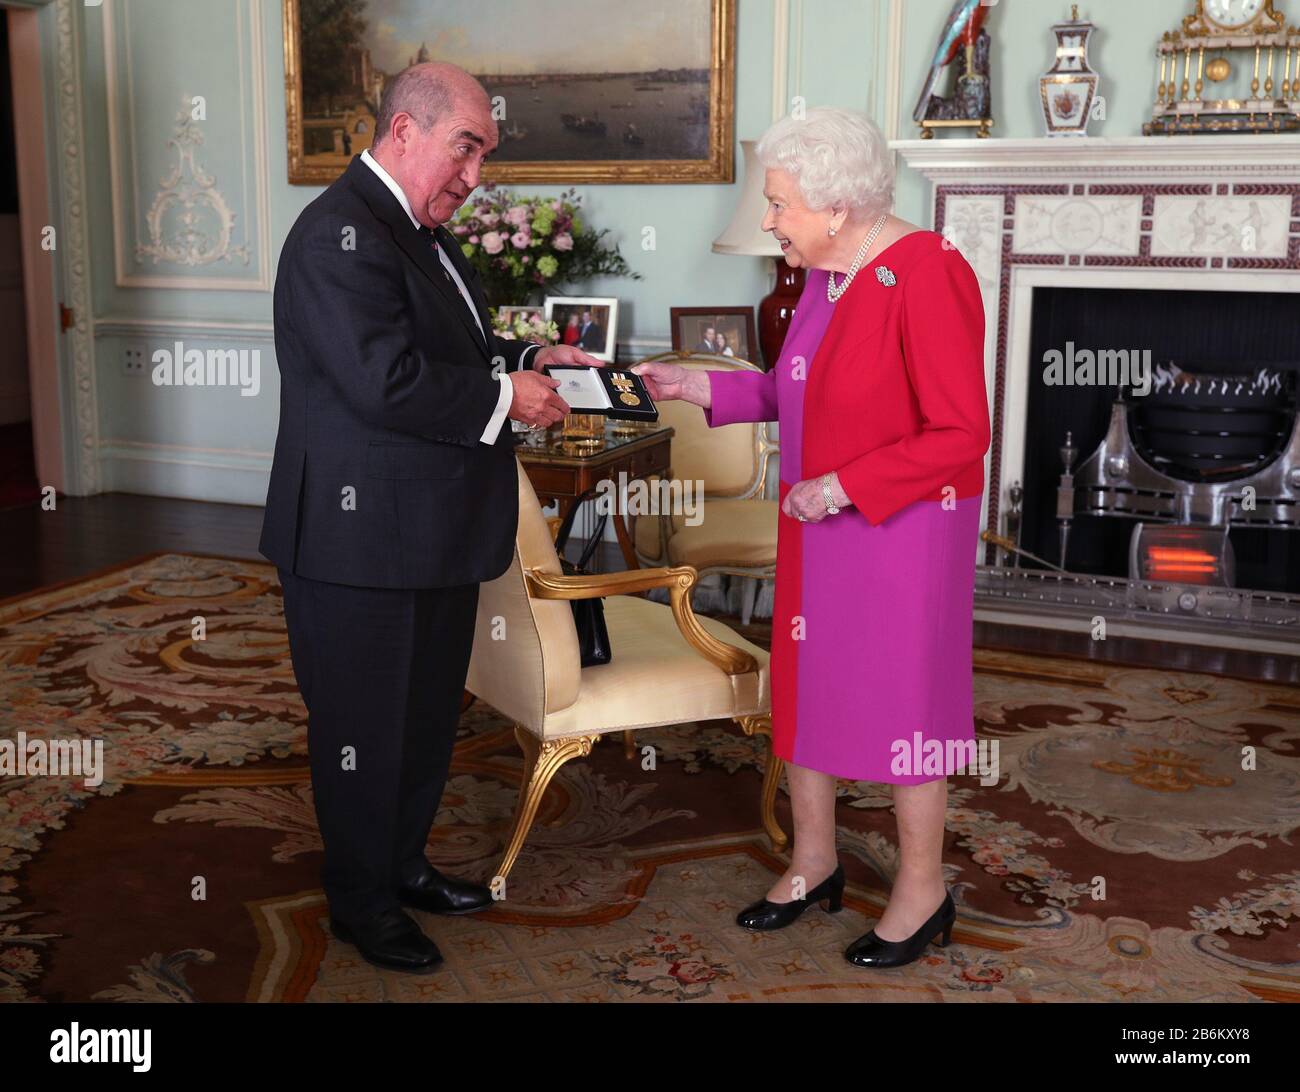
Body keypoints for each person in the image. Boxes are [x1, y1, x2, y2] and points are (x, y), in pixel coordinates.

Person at [260, 61, 602, 975]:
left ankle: (403, 868)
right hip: (356, 541)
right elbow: (386, 380)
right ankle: (361, 906)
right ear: (404, 131)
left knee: (417, 725)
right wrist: (509, 398)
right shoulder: (337, 232)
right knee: (362, 733)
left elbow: (450, 344)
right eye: (466, 148)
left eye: (484, 155)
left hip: (429, 532)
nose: (474, 175)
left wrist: (530, 352)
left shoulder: (419, 228)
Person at [633, 106, 989, 970]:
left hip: (902, 534)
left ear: (836, 206)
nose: (767, 220)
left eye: (780, 202)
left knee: (908, 707)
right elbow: (799, 392)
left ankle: (922, 889)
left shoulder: (929, 272)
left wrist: (845, 487)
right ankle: (815, 862)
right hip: (817, 527)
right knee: (808, 691)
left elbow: (960, 431)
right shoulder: (828, 274)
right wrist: (694, 384)